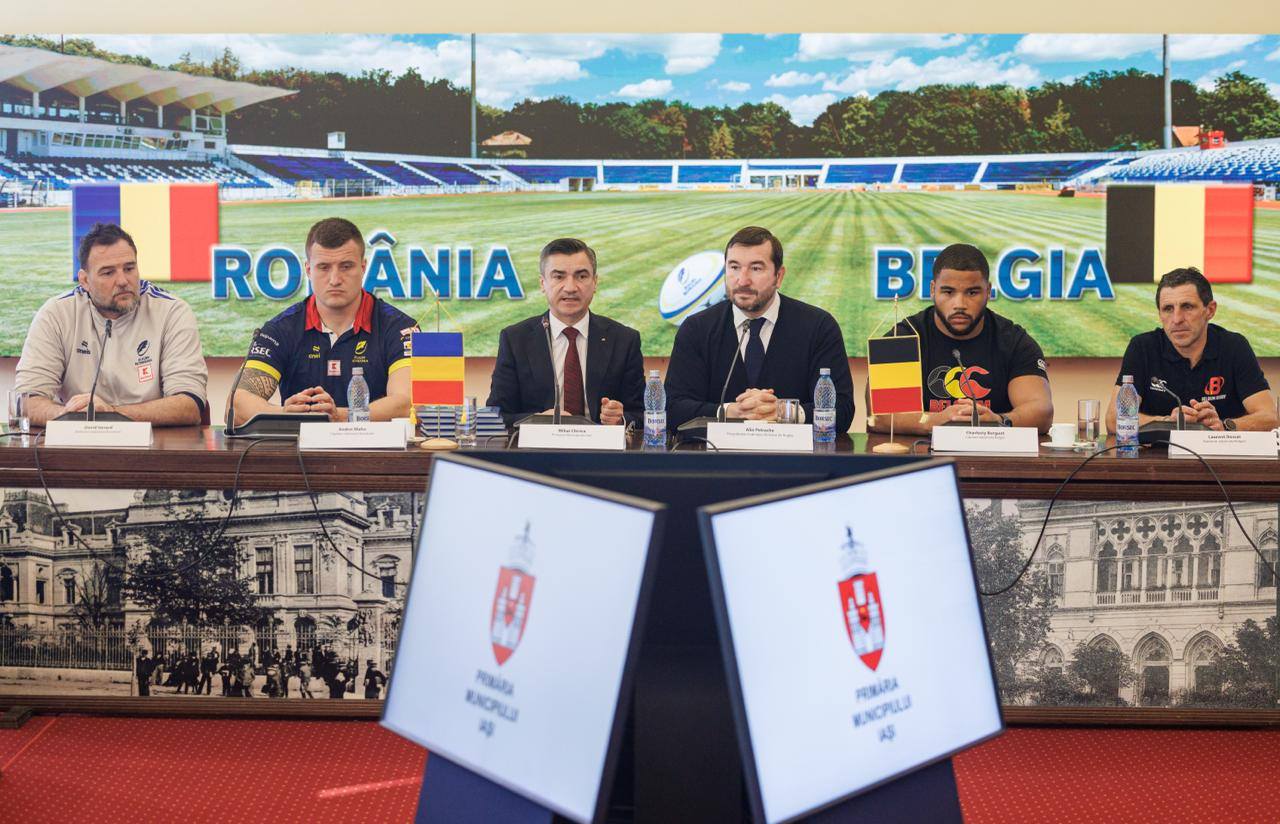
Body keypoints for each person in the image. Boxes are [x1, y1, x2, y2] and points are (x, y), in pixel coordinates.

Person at [15, 222, 209, 427]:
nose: (123, 280)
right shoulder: (57, 313)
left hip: (155, 441)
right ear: (85, 281)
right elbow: (26, 401)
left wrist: (109, 415)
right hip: (78, 439)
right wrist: (72, 416)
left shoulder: (172, 312)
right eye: (108, 273)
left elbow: (189, 404)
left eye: (129, 268)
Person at [229, 217, 418, 426]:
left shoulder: (401, 328)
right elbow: (236, 404)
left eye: (346, 266)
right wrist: (284, 415)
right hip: (300, 447)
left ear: (363, 267)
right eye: (324, 267)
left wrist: (340, 416)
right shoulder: (280, 329)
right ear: (308, 270)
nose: (335, 279)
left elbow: (408, 403)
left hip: (378, 447)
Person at [664, 226, 855, 432]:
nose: (742, 280)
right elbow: (673, 409)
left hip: (793, 452)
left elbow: (842, 411)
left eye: (756, 268)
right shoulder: (696, 328)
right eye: (734, 267)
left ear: (778, 276)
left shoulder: (818, 326)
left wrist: (782, 412)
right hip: (715, 453)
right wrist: (730, 411)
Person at [867, 243, 1053, 435]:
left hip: (992, 450)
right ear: (933, 290)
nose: (960, 304)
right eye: (948, 292)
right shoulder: (903, 337)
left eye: (972, 293)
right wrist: (936, 420)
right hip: (921, 453)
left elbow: (1042, 411)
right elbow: (879, 417)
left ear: (988, 291)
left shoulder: (1014, 341)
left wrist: (999, 420)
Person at [487, 238, 645, 428]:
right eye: (559, 277)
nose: (570, 287)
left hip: (600, 446)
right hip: (538, 446)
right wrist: (537, 421)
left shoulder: (624, 340)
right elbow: (496, 416)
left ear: (595, 282)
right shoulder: (515, 339)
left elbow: (642, 414)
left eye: (581, 276)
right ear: (542, 283)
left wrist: (620, 418)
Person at [1105, 267, 1277, 433]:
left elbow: (1270, 417)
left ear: (1210, 310)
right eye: (1168, 309)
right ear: (1159, 314)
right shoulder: (1142, 347)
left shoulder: (1234, 346)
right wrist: (1168, 423)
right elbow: (1114, 420)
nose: (1177, 319)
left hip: (1219, 451)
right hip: (1158, 453)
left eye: (1187, 307)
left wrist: (1224, 426)